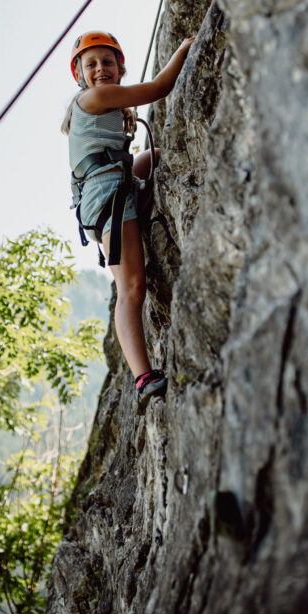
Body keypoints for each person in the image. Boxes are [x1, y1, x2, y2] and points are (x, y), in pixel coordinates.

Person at [62, 30, 194, 412]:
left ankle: (142, 375)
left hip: (108, 189)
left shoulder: (96, 105)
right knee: (132, 285)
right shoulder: (97, 97)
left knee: (152, 156)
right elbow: (159, 87)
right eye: (92, 64)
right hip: (108, 198)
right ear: (81, 75)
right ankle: (143, 377)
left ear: (119, 67)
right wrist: (184, 48)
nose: (100, 69)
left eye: (107, 62)